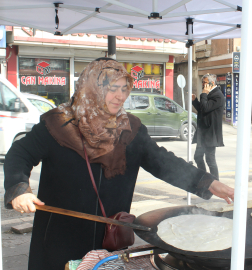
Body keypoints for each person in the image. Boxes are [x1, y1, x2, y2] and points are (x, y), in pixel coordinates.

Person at [4, 58, 234, 270]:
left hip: (109, 238)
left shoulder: (130, 128)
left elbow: (163, 162)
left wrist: (208, 182)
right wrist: (19, 189)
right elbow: (19, 154)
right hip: (60, 238)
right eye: (112, 88)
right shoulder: (57, 124)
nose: (120, 96)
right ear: (92, 88)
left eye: (124, 89)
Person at [191, 74, 225, 180]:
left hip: (210, 133)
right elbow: (202, 109)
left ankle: (216, 182)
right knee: (197, 156)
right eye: (202, 82)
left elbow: (205, 108)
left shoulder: (217, 95)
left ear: (212, 83)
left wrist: (203, 94)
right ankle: (204, 179)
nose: (203, 85)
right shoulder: (209, 94)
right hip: (203, 132)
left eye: (205, 82)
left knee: (210, 160)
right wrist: (195, 101)